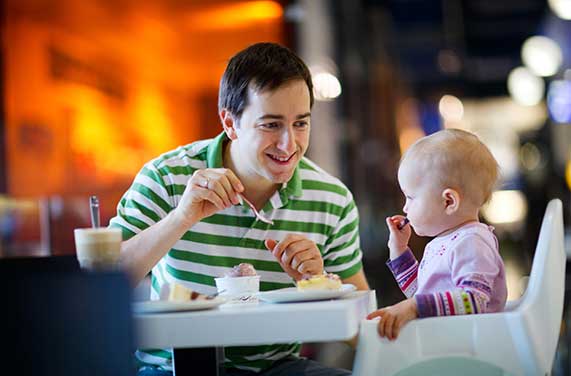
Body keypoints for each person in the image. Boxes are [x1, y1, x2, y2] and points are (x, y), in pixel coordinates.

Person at [109, 42, 369, 375]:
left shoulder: (331, 199)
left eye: (300, 124)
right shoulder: (167, 177)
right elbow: (103, 285)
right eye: (271, 125)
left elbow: (363, 330)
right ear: (230, 123)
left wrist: (318, 282)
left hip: (274, 367)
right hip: (171, 367)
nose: (289, 144)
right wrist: (181, 218)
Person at [367, 128, 507, 340]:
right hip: (450, 342)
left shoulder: (472, 242)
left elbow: (473, 300)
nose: (405, 208)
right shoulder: (444, 241)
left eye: (411, 197)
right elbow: (419, 292)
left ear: (448, 201)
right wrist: (399, 250)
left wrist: (414, 307)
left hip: (473, 347)